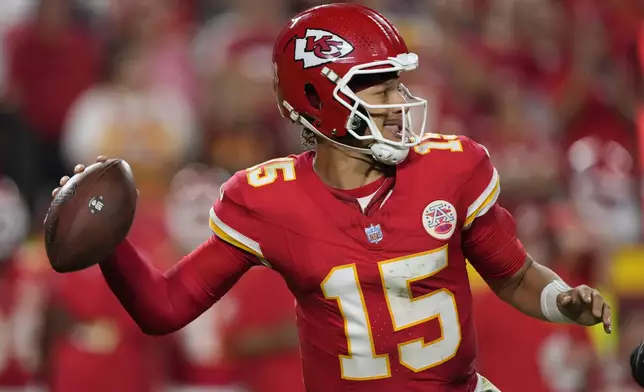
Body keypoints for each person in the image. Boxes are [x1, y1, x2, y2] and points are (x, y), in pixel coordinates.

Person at [52, 4, 613, 392]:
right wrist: (109, 243)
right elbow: (166, 307)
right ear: (318, 99)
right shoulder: (265, 201)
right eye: (382, 87)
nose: (403, 102)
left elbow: (512, 274)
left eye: (400, 84)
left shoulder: (451, 166)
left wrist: (560, 300)